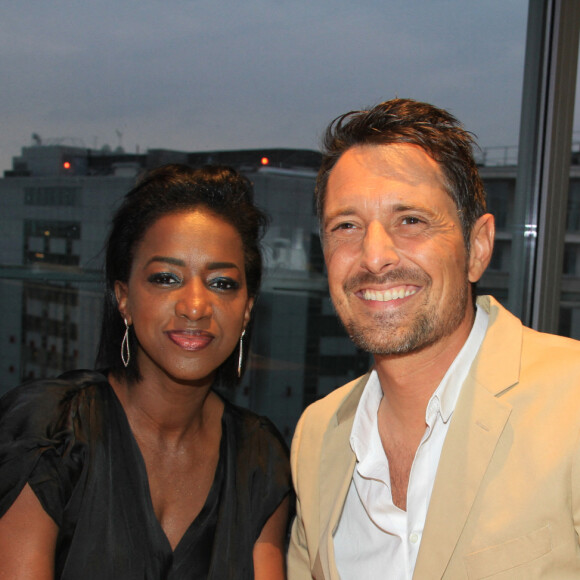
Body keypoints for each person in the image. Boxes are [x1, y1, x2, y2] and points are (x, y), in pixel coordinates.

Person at [287, 98, 580, 579]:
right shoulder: (317, 436)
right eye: (346, 226)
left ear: (477, 248)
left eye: (410, 221)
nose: (374, 256)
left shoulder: (571, 402)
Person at [0, 164, 291, 580]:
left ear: (246, 310)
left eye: (222, 283)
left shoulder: (260, 457)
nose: (195, 305)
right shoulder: (52, 433)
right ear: (124, 299)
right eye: (166, 278)